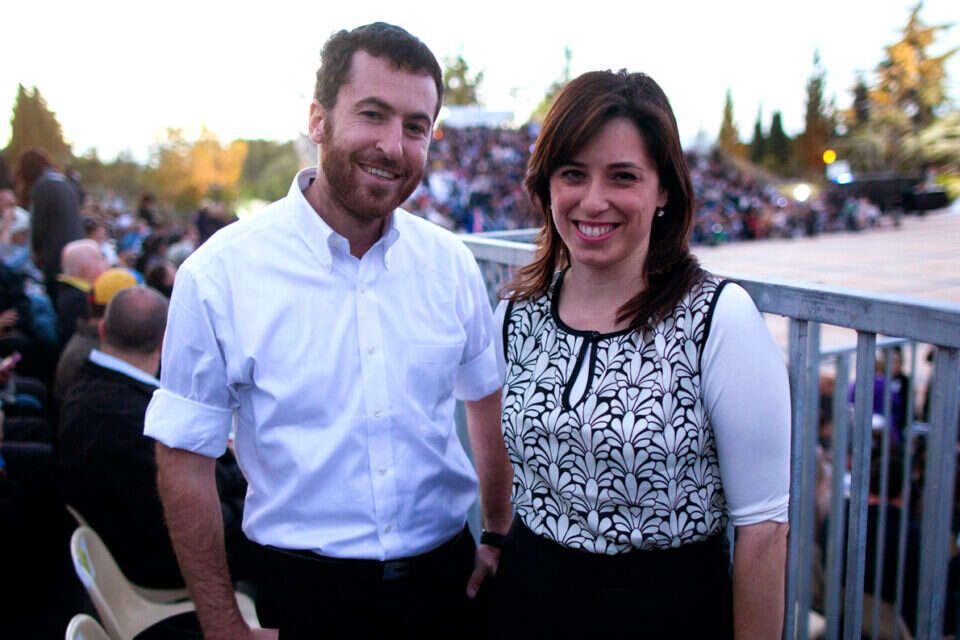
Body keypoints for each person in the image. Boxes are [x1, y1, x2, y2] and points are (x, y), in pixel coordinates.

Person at [145, 22, 512, 640]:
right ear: (317, 119)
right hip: (308, 598)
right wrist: (222, 624)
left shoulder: (450, 263)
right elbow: (183, 458)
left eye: (416, 127)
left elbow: (486, 401)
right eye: (373, 114)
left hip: (447, 587)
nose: (393, 146)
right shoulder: (218, 275)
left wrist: (497, 532)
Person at [491, 70, 791, 638]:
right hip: (524, 607)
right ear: (547, 186)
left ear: (664, 191)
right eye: (573, 174)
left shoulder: (718, 321)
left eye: (623, 176)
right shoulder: (516, 314)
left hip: (667, 615)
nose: (593, 200)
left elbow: (763, 531)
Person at [13, 148, 83, 299]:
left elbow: (37, 226)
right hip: (75, 253)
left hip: (55, 257)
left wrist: (36, 254)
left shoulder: (42, 186)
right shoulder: (64, 182)